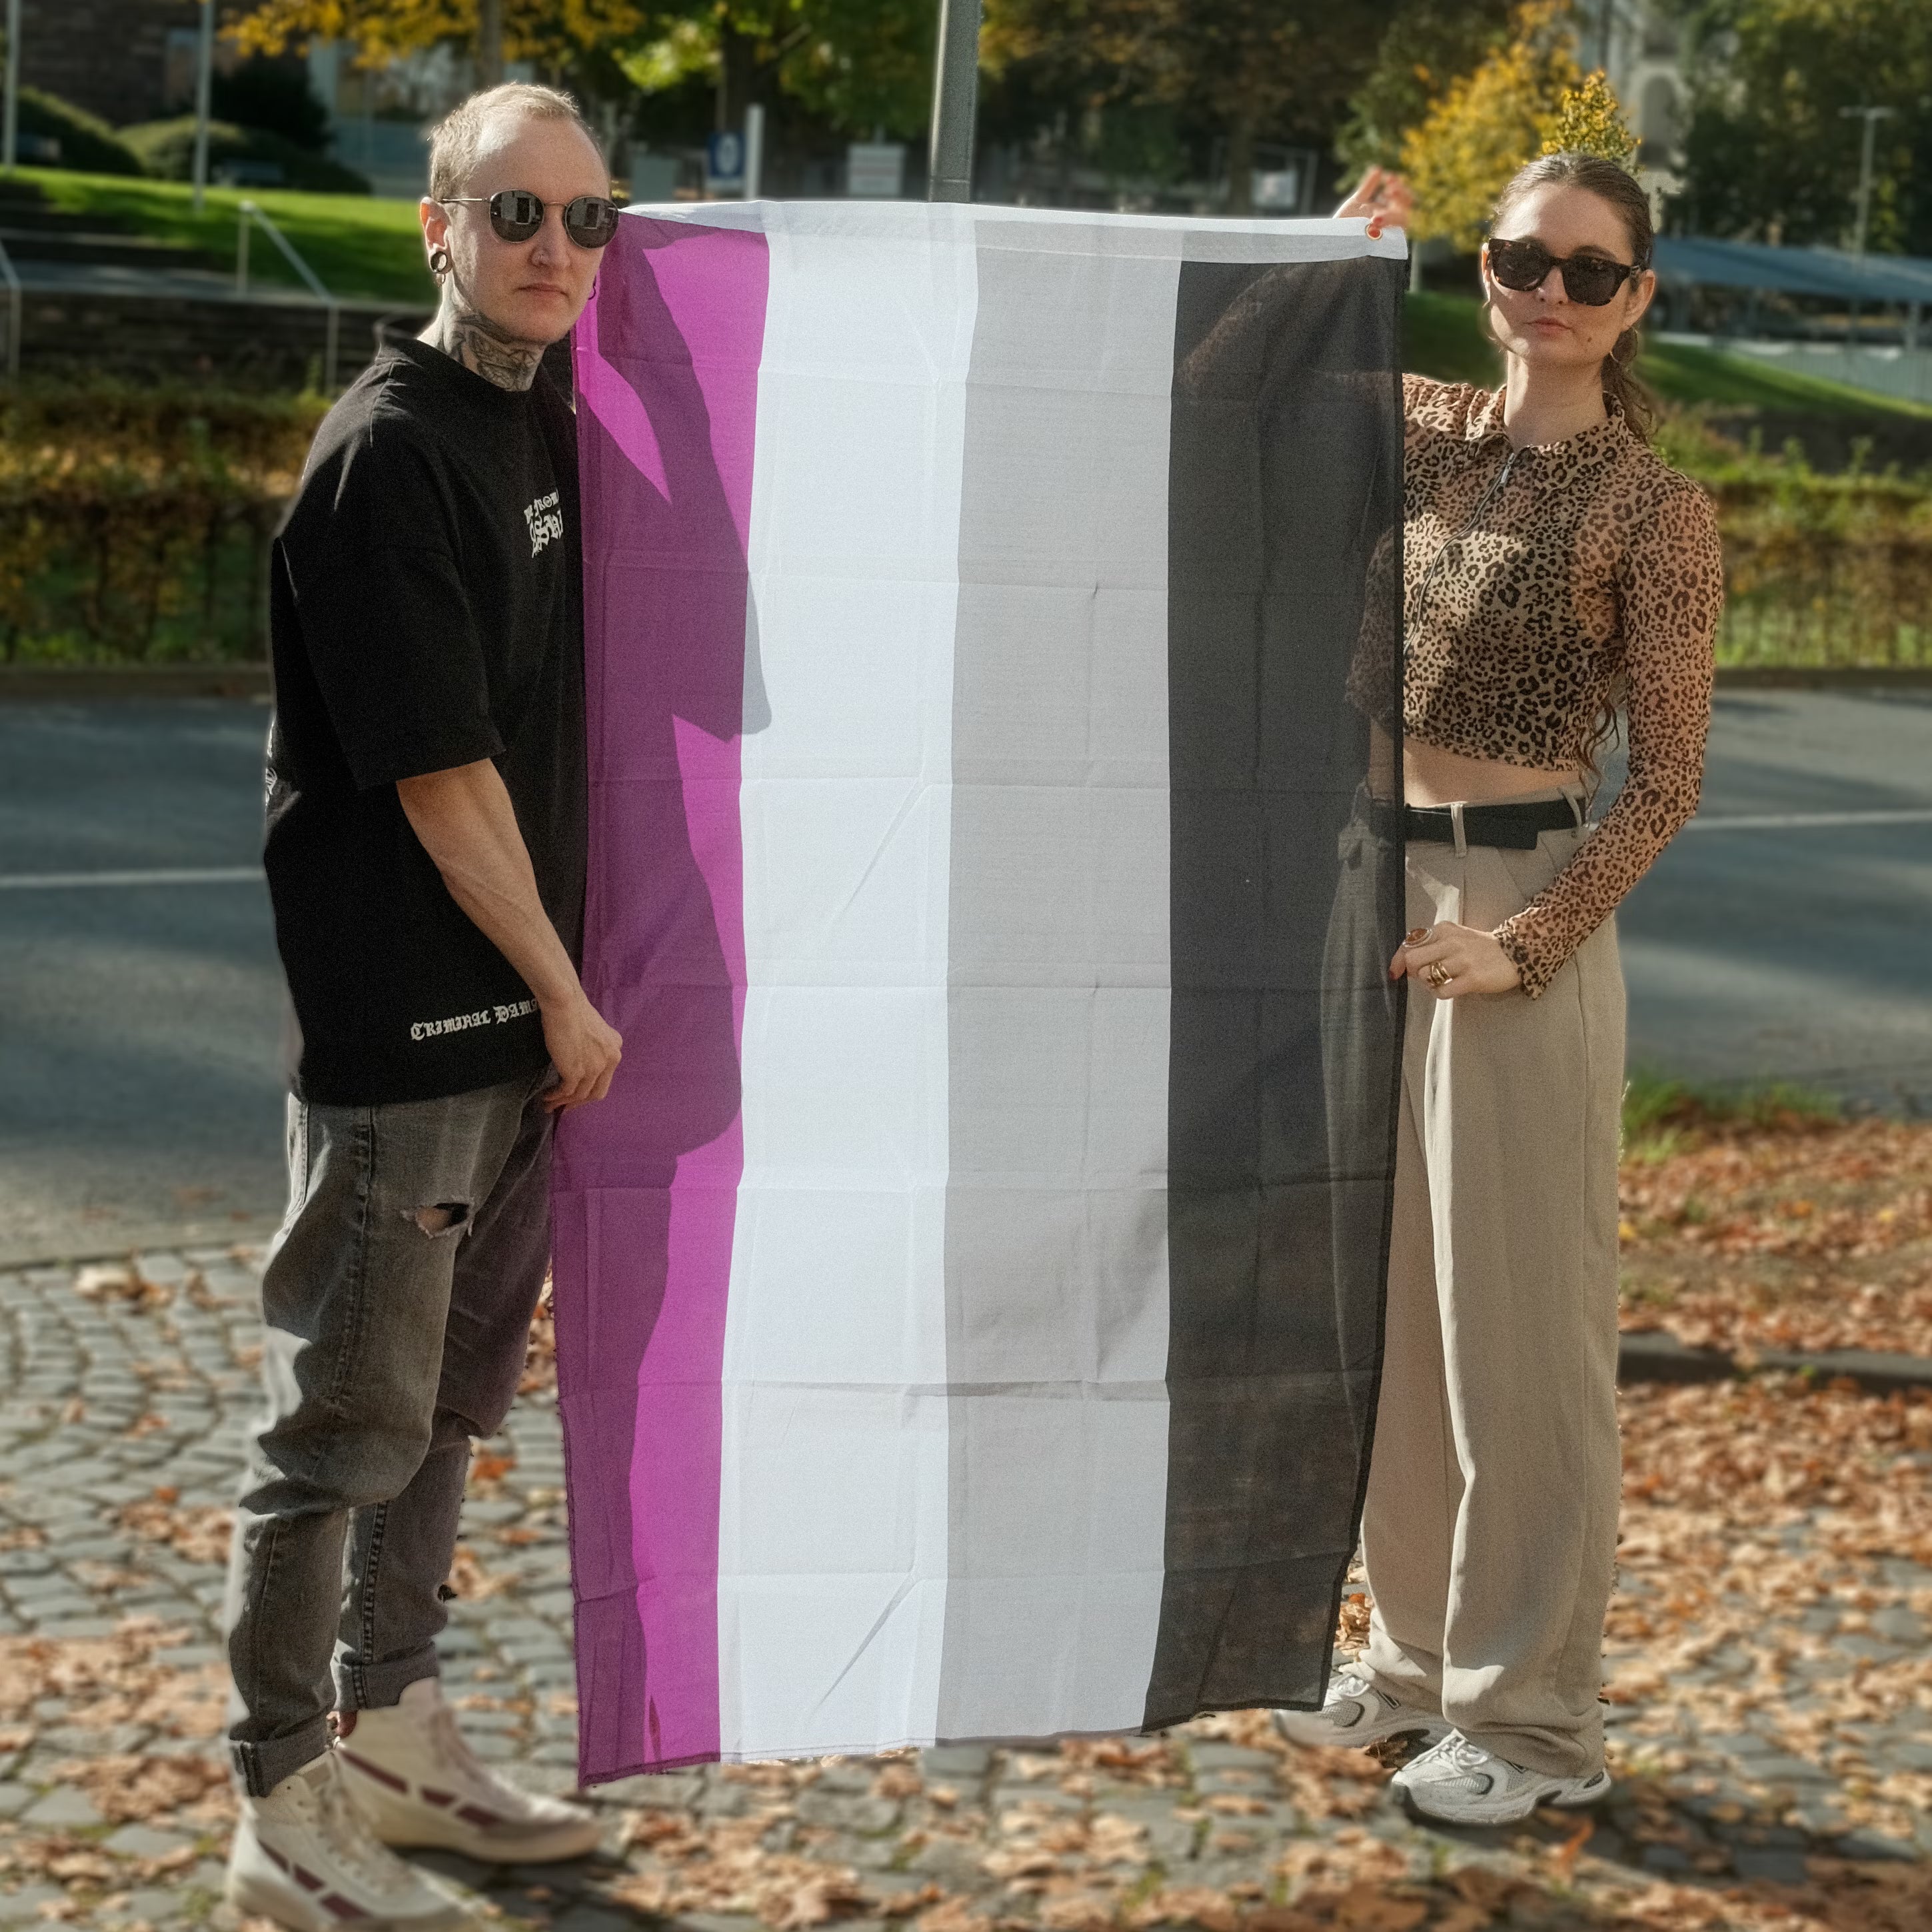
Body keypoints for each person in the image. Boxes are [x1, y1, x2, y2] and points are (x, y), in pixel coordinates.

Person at [1275, 153, 1725, 1825]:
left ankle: (1535, 1722)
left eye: (1590, 270)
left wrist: (1524, 941)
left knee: (1516, 1337)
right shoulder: (1418, 426)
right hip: (1369, 896)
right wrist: (1319, 264)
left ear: (1635, 298)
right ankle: (1411, 1661)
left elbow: (1666, 782)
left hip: (1514, 917)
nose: (1550, 290)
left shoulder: (1655, 510)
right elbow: (1221, 394)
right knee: (1392, 1318)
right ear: (1481, 266)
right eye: (1523, 257)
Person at [224, 82, 626, 1931]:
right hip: (416, 1034)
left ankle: (394, 1739)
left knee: (445, 1409)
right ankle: (282, 1796)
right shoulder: (389, 456)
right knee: (342, 1426)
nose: (554, 248)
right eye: (513, 211)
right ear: (436, 225)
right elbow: (443, 782)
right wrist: (565, 993)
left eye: (586, 218)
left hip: (521, 1035)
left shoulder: (533, 412)